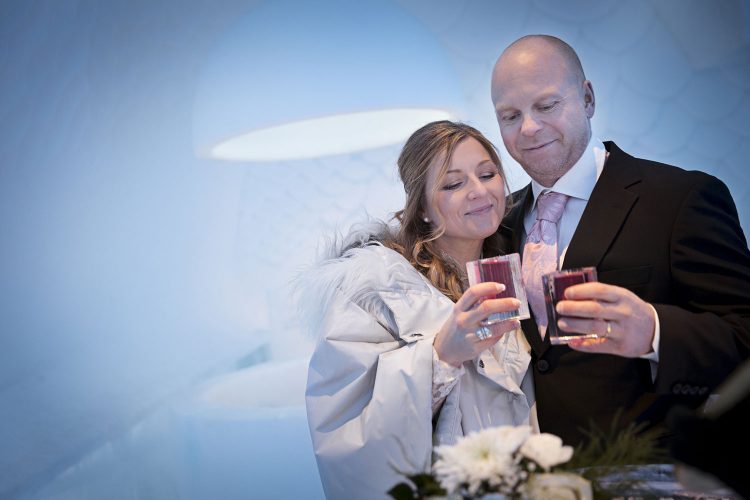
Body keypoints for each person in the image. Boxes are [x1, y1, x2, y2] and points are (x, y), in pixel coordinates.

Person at [490, 34, 750, 447]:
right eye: (509, 115)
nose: (529, 128)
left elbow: (744, 334)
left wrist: (655, 331)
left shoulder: (680, 198)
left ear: (587, 99)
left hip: (653, 472)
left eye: (546, 105)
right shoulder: (496, 223)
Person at [301, 121, 535, 499]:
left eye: (488, 174)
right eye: (453, 184)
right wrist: (441, 355)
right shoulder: (373, 289)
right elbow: (344, 430)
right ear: (423, 208)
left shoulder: (510, 270)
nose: (479, 191)